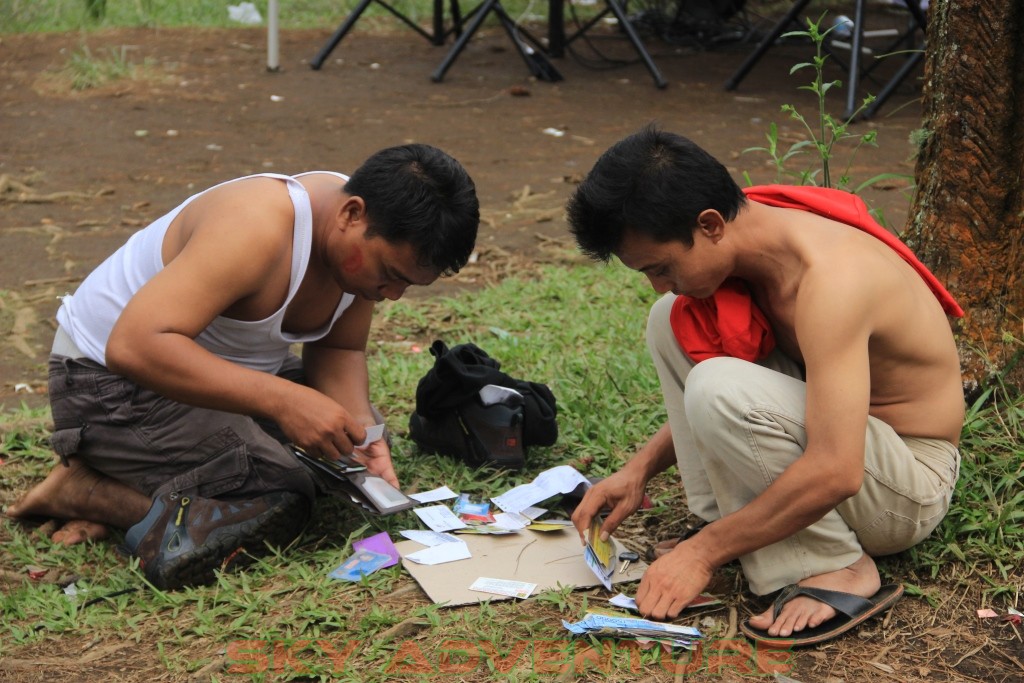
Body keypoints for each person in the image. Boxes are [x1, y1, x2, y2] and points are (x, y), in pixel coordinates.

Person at [7, 144, 480, 590]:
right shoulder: (256, 224)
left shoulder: (354, 244)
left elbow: (339, 350)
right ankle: (92, 492)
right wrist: (285, 400)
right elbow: (134, 346)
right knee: (280, 490)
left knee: (341, 448)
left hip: (202, 377)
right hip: (108, 384)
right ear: (351, 214)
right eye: (392, 275)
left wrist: (363, 437)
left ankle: (145, 477)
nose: (392, 294)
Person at [566, 126, 963, 647]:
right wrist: (638, 469)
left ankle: (838, 566)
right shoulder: (752, 232)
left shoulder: (834, 282)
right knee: (670, 318)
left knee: (714, 379)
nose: (658, 282)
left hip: (903, 483)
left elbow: (837, 469)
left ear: (709, 225)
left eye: (662, 267)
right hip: (847, 437)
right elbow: (754, 394)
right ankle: (737, 523)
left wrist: (704, 552)